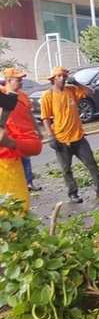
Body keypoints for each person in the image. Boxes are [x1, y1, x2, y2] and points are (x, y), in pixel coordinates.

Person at [40, 66, 99, 204]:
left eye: (64, 76)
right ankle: (73, 193)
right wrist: (51, 137)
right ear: (53, 79)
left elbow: (91, 92)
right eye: (59, 76)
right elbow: (45, 118)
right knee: (66, 169)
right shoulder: (48, 96)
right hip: (61, 139)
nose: (62, 79)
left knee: (92, 164)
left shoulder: (71, 90)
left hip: (78, 137)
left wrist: (77, 83)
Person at [0, 67, 43, 211]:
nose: (21, 82)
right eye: (18, 80)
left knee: (19, 200)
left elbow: (29, 115)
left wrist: (37, 130)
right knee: (13, 204)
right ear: (8, 81)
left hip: (17, 148)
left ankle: (29, 181)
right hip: (7, 156)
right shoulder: (4, 97)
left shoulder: (21, 96)